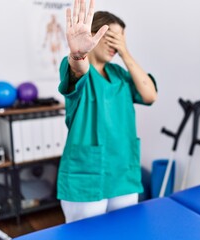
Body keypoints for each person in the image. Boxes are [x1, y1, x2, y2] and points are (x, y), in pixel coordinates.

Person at [57, 0, 157, 223]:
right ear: (92, 35)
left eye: (120, 39)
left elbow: (150, 95)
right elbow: (77, 68)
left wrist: (125, 52)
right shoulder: (74, 66)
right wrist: (78, 54)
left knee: (123, 232)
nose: (115, 44)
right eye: (111, 37)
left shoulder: (120, 74)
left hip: (123, 171)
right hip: (86, 175)